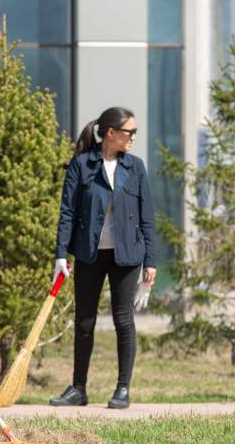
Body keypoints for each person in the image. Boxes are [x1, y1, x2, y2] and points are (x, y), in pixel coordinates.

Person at [49, 106, 156, 410]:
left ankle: (123, 389)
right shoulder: (82, 165)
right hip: (89, 254)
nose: (133, 137)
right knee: (84, 322)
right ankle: (78, 389)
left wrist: (151, 260)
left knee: (124, 320)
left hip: (127, 256)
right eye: (129, 132)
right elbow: (67, 212)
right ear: (111, 133)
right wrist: (60, 254)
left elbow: (147, 216)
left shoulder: (135, 167)